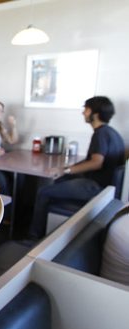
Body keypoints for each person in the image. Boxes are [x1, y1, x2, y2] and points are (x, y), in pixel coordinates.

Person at [28, 96, 125, 240]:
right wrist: (69, 168)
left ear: (95, 114)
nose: (83, 113)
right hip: (106, 187)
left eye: (86, 109)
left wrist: (64, 170)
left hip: (95, 187)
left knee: (44, 192)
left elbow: (96, 162)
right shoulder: (112, 133)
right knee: (60, 180)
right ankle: (46, 226)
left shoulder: (100, 134)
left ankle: (33, 237)